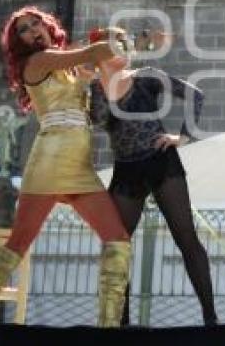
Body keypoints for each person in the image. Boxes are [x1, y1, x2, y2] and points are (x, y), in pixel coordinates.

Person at [0, 6, 131, 327]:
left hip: (79, 165)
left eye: (35, 23)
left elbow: (104, 69)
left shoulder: (65, 67)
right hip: (50, 160)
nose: (32, 30)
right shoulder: (38, 62)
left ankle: (110, 327)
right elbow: (97, 51)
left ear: (47, 25)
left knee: (118, 239)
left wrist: (104, 61)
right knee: (18, 243)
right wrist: (113, 40)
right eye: (24, 30)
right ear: (20, 43)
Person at [88, 27, 217, 326]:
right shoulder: (93, 90)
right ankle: (122, 323)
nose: (121, 49)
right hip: (126, 170)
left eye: (123, 44)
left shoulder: (146, 76)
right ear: (99, 55)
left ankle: (211, 319)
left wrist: (182, 137)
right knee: (116, 247)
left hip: (161, 162)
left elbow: (196, 96)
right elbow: (97, 122)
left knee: (186, 237)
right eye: (113, 46)